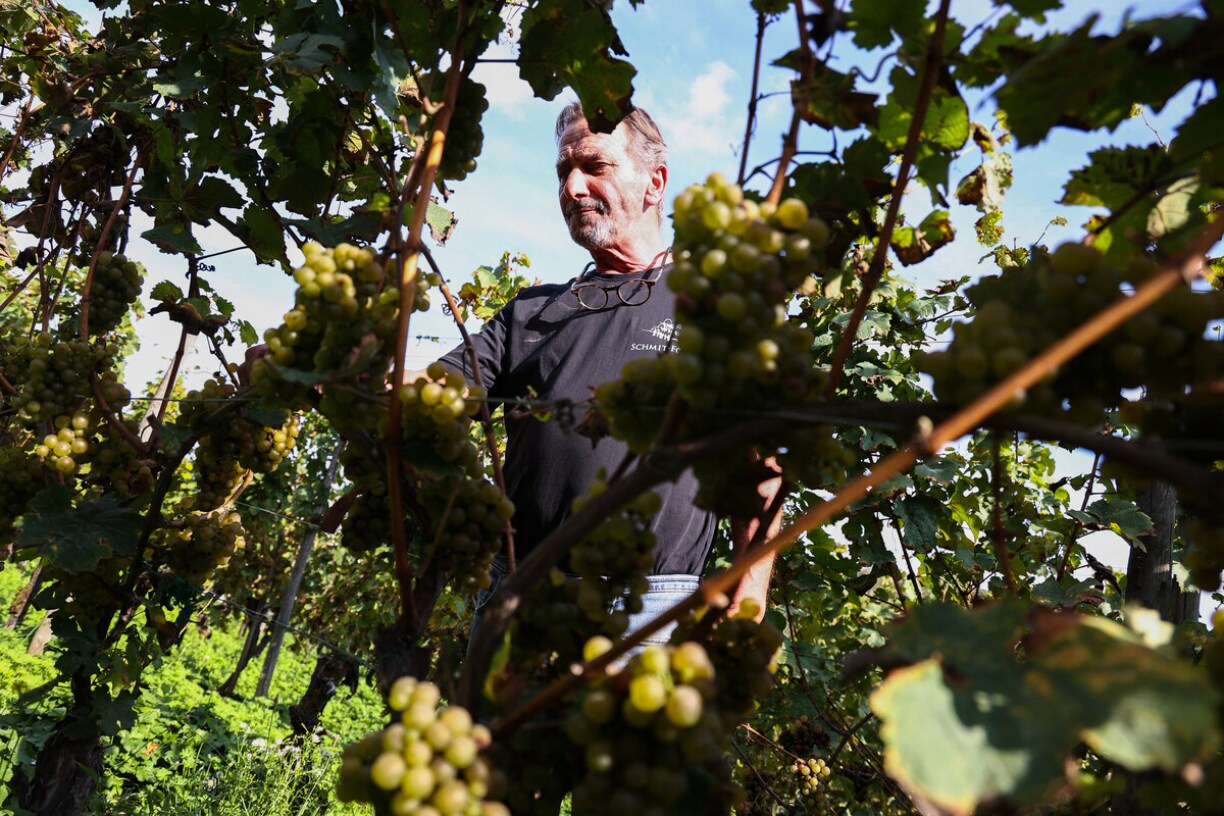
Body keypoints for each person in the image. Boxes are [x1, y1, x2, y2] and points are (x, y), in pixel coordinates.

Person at [437, 101, 779, 647]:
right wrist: (334, 368)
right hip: (518, 595)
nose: (571, 187)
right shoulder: (532, 312)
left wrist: (752, 585)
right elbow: (435, 389)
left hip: (649, 614)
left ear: (654, 183)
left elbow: (758, 463)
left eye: (594, 167)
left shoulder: (712, 308)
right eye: (563, 171)